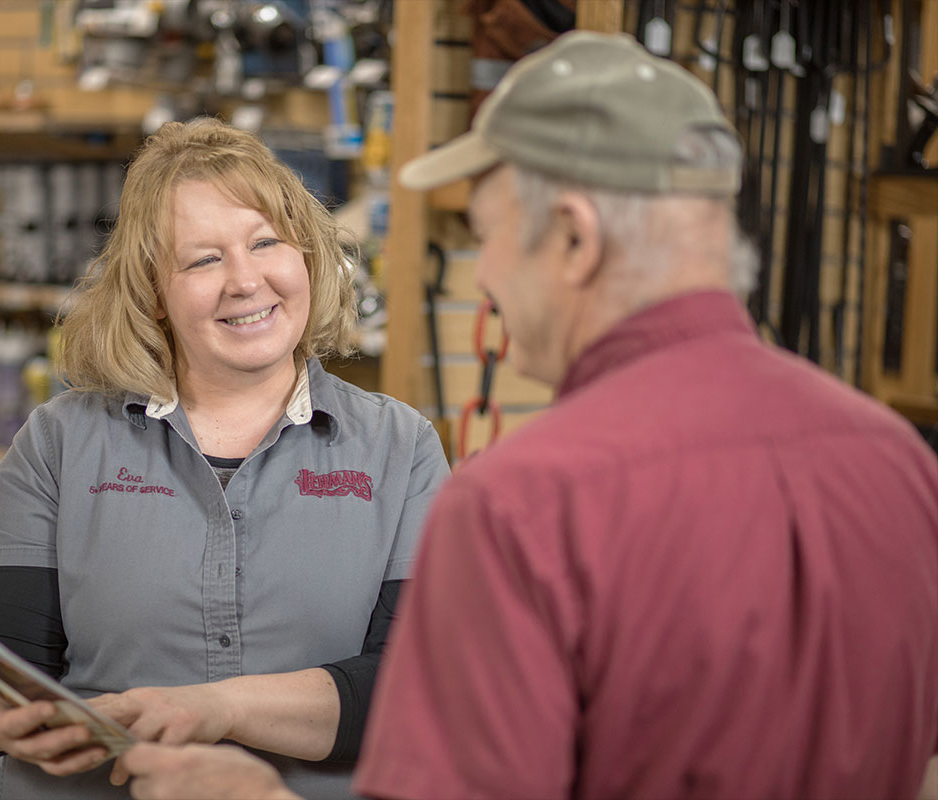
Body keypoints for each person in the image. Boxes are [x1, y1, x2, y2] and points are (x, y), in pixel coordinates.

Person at [109, 30, 938, 800]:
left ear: (574, 240)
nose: (488, 277)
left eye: (489, 236)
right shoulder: (898, 463)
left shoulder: (527, 505)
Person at [0, 117, 450, 799]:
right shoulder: (58, 444)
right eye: (203, 259)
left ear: (308, 259)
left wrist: (216, 708)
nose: (245, 280)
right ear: (153, 294)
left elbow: (416, 685)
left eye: (266, 243)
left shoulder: (401, 449)